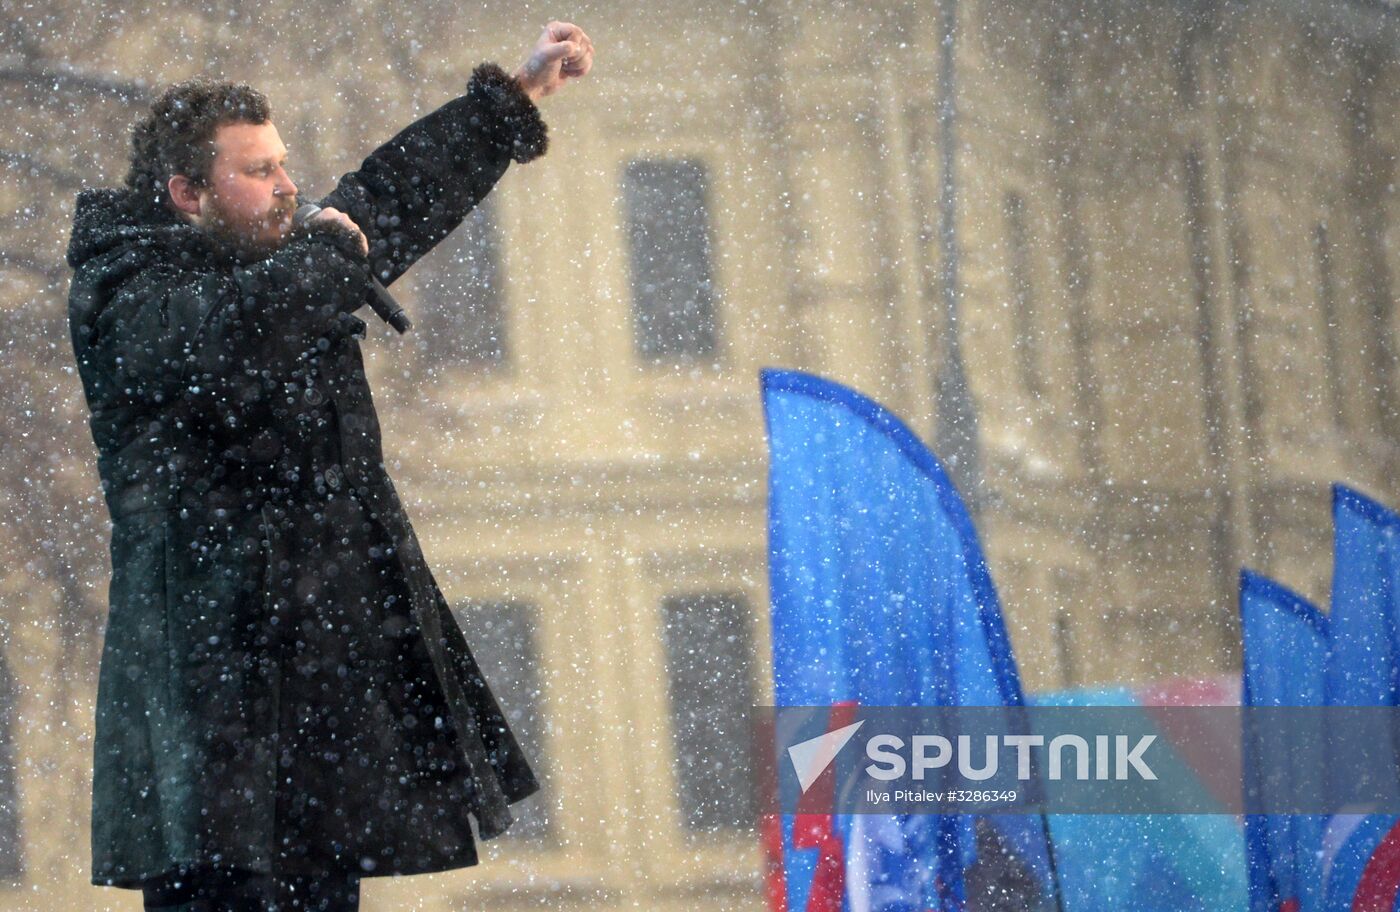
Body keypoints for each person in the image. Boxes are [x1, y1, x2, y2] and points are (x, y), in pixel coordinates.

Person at [65, 21, 594, 912]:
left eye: (283, 164)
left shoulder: (287, 259)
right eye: (259, 171)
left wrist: (511, 99)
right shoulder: (129, 292)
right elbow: (228, 335)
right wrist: (325, 250)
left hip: (315, 701)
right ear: (187, 193)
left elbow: (386, 199)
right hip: (210, 714)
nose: (287, 186)